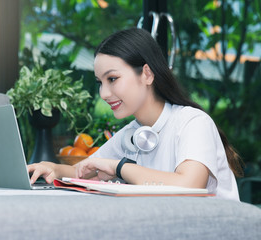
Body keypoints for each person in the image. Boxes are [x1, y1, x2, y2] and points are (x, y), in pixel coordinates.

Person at [27, 27, 244, 201]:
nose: (104, 93)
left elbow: (189, 185)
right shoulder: (130, 134)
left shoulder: (193, 122)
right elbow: (82, 172)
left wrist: (120, 167)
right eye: (100, 83)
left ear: (147, 74)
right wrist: (53, 168)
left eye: (112, 79)